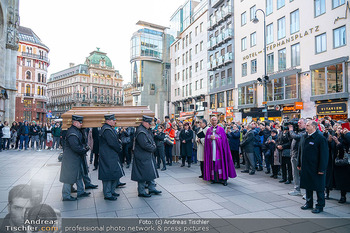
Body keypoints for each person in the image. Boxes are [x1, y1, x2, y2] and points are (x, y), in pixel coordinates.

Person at [298, 120, 328, 214]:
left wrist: (322, 169)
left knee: (319, 188)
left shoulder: (320, 138)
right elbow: (301, 151)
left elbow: (324, 155)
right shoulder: (304, 136)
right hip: (306, 167)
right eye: (306, 125)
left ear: (314, 127)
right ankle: (308, 202)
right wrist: (299, 163)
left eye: (308, 125)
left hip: (316, 168)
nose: (305, 127)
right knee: (308, 186)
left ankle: (320, 205)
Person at [59, 115, 91, 201]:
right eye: (80, 122)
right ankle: (66, 196)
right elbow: (75, 147)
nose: (82, 124)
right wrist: (84, 150)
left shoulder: (76, 131)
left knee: (78, 175)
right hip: (70, 159)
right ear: (75, 122)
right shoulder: (73, 133)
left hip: (74, 158)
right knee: (68, 177)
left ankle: (80, 192)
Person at [131, 115, 162, 197]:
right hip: (142, 156)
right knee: (142, 174)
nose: (150, 124)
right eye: (149, 123)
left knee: (150, 172)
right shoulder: (141, 131)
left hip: (146, 156)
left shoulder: (145, 130)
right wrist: (153, 148)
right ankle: (141, 191)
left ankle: (151, 188)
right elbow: (144, 144)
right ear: (144, 122)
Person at [203, 117, 236, 186]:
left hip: (220, 151)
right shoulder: (209, 130)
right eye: (212, 120)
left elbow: (224, 141)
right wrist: (210, 139)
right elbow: (206, 141)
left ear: (217, 121)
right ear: (211, 121)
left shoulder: (221, 129)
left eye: (215, 120)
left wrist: (216, 138)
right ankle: (214, 178)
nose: (214, 121)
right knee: (213, 163)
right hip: (212, 150)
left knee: (221, 163)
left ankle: (223, 179)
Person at [98, 114, 124, 201]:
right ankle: (108, 193)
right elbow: (113, 142)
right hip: (108, 155)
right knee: (108, 174)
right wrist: (119, 147)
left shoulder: (108, 129)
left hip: (110, 154)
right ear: (108, 121)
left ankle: (111, 191)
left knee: (113, 173)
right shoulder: (107, 130)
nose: (115, 121)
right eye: (113, 120)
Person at [288, 119, 307, 196]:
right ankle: (297, 189)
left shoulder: (305, 132)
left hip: (300, 156)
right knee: (295, 173)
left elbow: (296, 137)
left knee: (303, 174)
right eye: (298, 123)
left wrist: (291, 131)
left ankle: (306, 192)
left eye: (300, 123)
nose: (298, 124)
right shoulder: (297, 131)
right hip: (294, 154)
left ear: (305, 124)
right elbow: (291, 138)